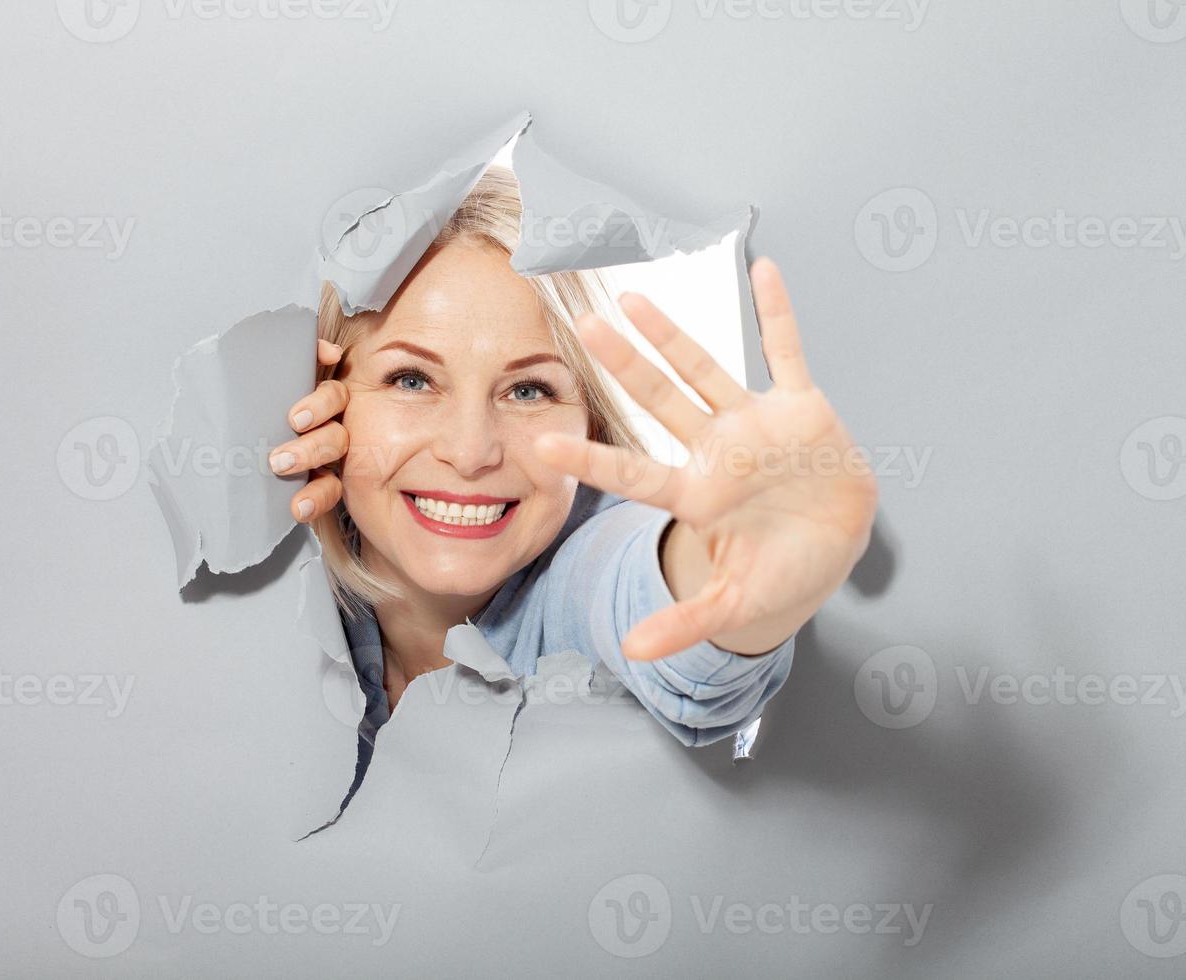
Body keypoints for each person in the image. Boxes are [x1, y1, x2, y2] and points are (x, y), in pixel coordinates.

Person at [269, 167, 876, 791]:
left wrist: (733, 566)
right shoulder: (275, 593)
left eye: (528, 389)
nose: (471, 450)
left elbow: (634, 588)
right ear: (328, 400)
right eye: (412, 380)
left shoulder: (582, 564)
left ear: (589, 421)